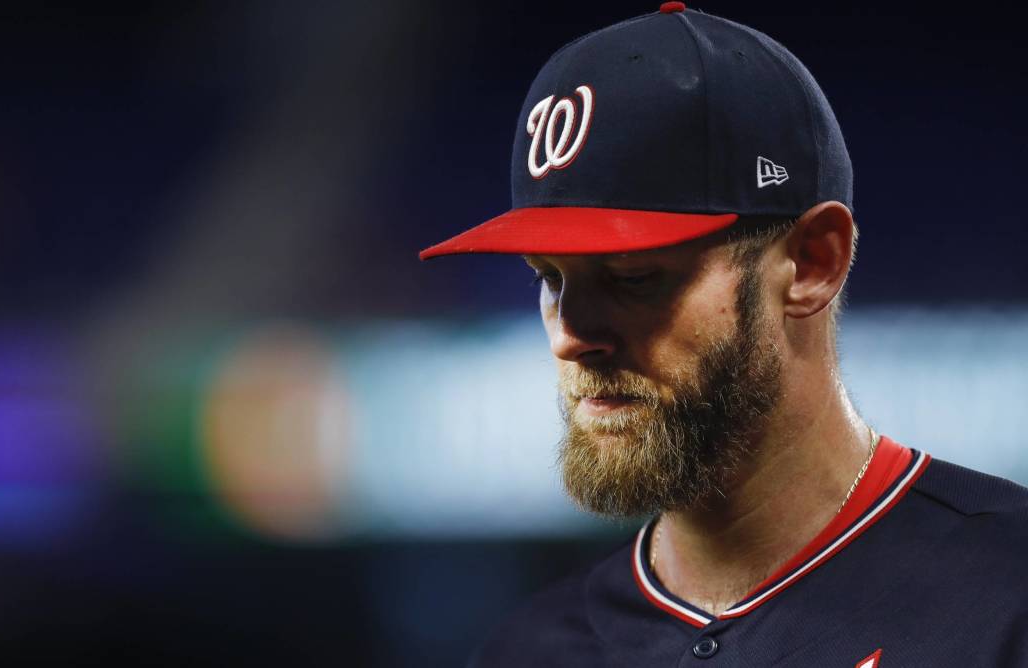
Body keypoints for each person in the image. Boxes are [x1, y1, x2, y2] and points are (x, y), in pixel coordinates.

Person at [419, 3, 1028, 666]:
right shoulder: (528, 651)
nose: (572, 334)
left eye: (634, 278)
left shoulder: (1007, 595)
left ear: (811, 263)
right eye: (550, 277)